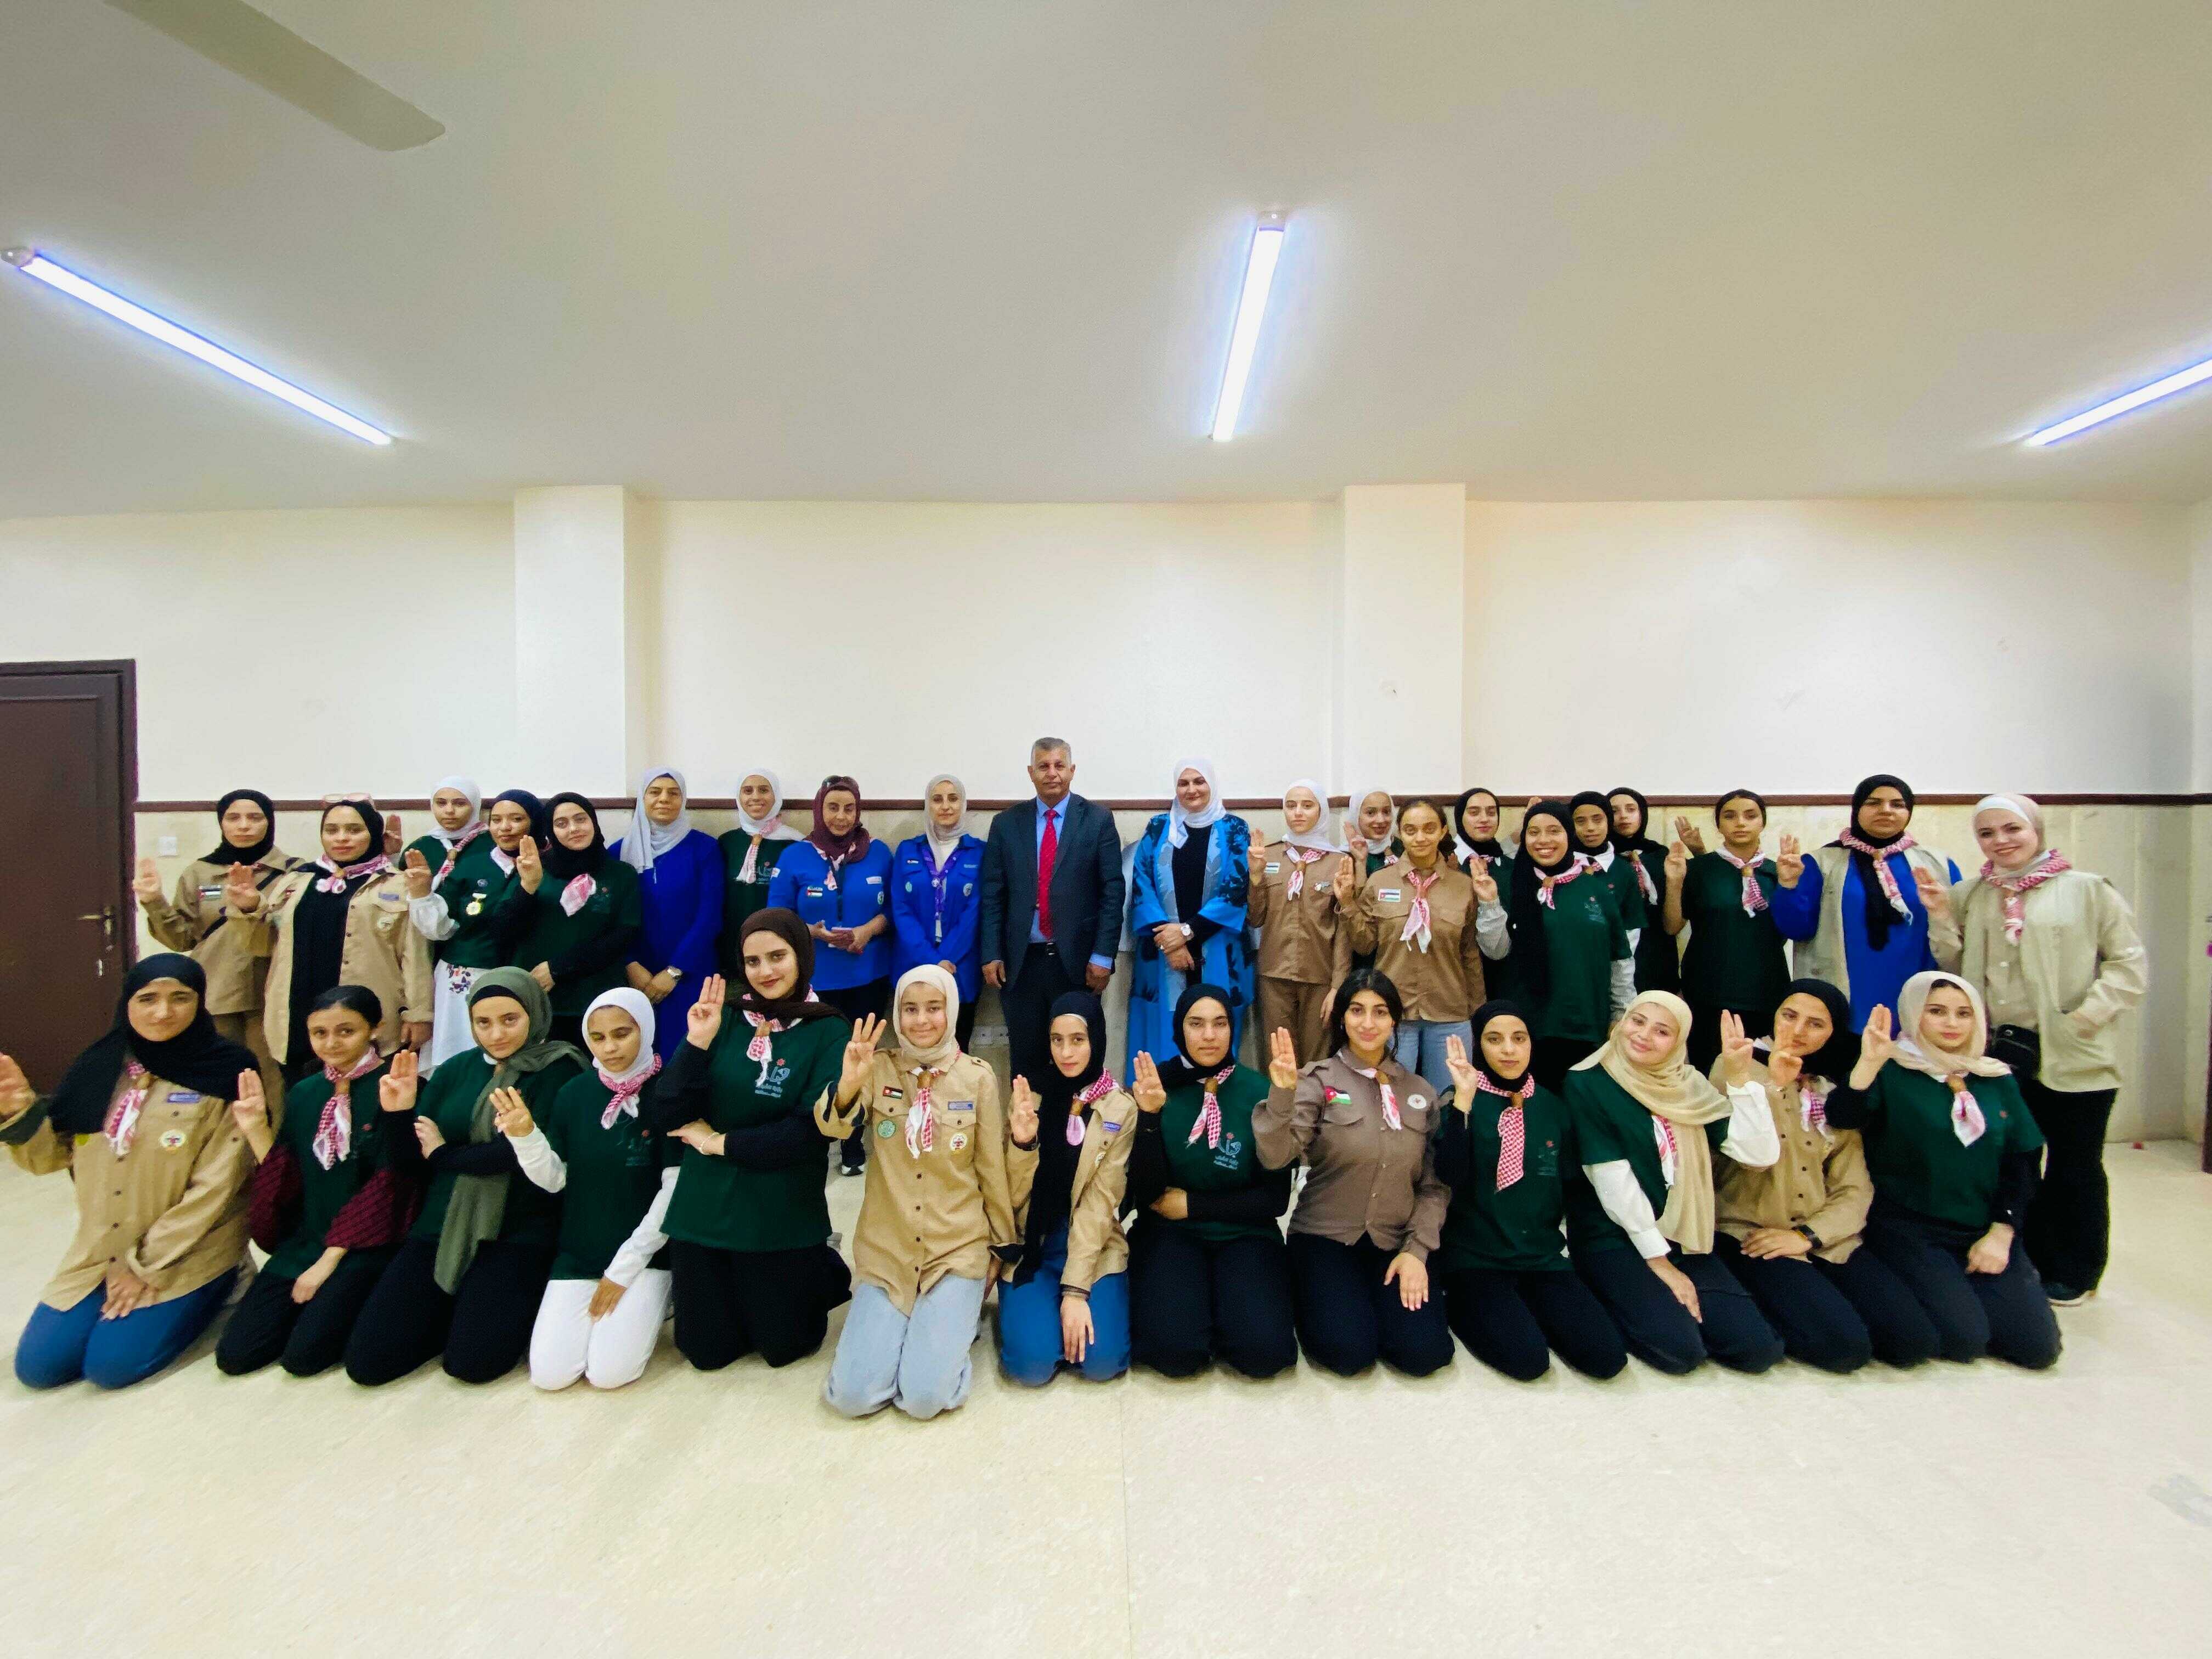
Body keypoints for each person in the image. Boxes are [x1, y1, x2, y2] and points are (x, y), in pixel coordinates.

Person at [1926, 794, 2147, 1305]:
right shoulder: (1972, 894)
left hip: (2075, 1054)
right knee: (2016, 1159)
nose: (2001, 841)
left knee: (2074, 1163)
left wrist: (2083, 1019)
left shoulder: (2087, 890)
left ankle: (2076, 1268)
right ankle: (2021, 1255)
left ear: (2036, 830)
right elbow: (1953, 965)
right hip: (2002, 1055)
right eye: (1987, 833)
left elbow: (2128, 965)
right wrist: (1939, 914)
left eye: (2012, 829)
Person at [2, 955, 256, 1389]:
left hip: (187, 1249)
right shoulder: (98, 1068)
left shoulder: (228, 1071)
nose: (163, 1012)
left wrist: (143, 1266)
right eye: (148, 999)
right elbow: (50, 1159)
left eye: (180, 998)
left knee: (112, 1367)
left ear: (200, 1003)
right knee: (40, 1368)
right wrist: (19, 1115)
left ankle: (226, 1280)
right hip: (101, 1248)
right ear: (127, 1004)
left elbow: (216, 1189)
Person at [341, 969, 588, 1385]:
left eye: (510, 1020)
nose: (497, 1034)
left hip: (516, 1230)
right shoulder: (456, 1069)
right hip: (440, 1225)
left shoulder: (560, 1069)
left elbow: (512, 1157)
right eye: (483, 1022)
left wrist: (444, 1154)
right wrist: (399, 1114)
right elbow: (411, 1164)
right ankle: (449, 1314)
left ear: (535, 1013)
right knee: (368, 1364)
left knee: (473, 1366)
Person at [818, 965, 1037, 1419]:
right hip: (888, 1251)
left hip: (955, 1250)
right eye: (910, 1009)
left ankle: (954, 1326)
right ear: (897, 1015)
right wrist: (849, 1083)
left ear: (951, 1010)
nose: (921, 1020)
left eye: (934, 1008)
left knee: (923, 1399)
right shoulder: (877, 1067)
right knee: (852, 1398)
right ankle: (923, 1329)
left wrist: (1001, 1248)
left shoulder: (977, 1077)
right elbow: (833, 1128)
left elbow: (991, 1170)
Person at [646, 912, 853, 1370]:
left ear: (802, 956)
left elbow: (806, 1136)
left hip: (779, 1208)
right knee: (706, 1354)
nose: (765, 971)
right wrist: (696, 1044)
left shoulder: (829, 1029)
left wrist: (716, 1142)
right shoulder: (724, 1017)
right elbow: (668, 1114)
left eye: (778, 957)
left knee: (785, 1348)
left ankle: (823, 1262)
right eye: (753, 961)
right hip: (706, 1207)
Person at [1827, 973, 2061, 1368]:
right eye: (1936, 1012)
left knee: (2037, 1348)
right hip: (1910, 1228)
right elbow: (1841, 1117)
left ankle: (1970, 1291)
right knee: (1964, 1339)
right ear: (1914, 1014)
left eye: (1964, 1014)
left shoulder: (1995, 1077)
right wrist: (1867, 1064)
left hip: (1982, 1226)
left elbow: (2022, 1161)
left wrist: (2001, 1233)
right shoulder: (1891, 1068)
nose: (1952, 1023)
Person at [1708, 980, 1940, 1372]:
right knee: (1843, 1348)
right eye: (1789, 1016)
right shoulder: (1737, 1066)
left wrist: (1810, 1236)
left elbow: (1854, 1186)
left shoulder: (1830, 1088)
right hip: (1753, 1233)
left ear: (1833, 1033)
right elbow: (1750, 1155)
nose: (1798, 1031)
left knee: (1911, 1342)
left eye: (1816, 1024)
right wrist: (1774, 1084)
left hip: (1823, 1237)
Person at [1564, 992, 1786, 1375]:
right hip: (1614, 1235)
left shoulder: (1688, 1084)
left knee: (1756, 1351)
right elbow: (1614, 1187)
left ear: (1679, 1040)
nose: (1644, 1035)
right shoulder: (1588, 1082)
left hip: (1684, 1234)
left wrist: (1739, 1080)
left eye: (1662, 1031)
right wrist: (1661, 1264)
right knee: (1681, 1353)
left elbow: (1758, 1154)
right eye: (1637, 1021)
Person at [1254, 970, 1454, 1378]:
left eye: (1380, 1012)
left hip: (1394, 1240)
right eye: (1357, 1011)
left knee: (1424, 1354)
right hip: (1326, 1236)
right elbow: (1276, 1157)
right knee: (1347, 1353)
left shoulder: (1420, 1092)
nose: (1368, 1023)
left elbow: (1433, 1187)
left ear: (1395, 1021)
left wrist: (1417, 1252)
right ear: (1342, 1018)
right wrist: (1282, 1093)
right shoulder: (1317, 1080)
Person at [217, 985, 416, 1377]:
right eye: (319, 1033)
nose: (332, 1043)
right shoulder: (305, 1092)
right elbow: (287, 1177)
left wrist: (327, 1263)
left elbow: (389, 1186)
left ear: (375, 1029)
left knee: (304, 1359)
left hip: (367, 1245)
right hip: (308, 1240)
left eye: (346, 1031)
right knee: (237, 1355)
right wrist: (256, 1129)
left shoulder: (397, 1086)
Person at [1432, 1002, 1627, 1381]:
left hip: (1541, 1257)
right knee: (1528, 1361)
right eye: (1494, 1040)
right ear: (1478, 1046)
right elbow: (1448, 1175)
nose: (1509, 1050)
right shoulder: (1459, 1100)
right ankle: (1465, 1304)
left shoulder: (1553, 1108)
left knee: (1606, 1359)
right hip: (1476, 1258)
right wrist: (1464, 1103)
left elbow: (1572, 1186)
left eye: (1519, 1039)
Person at [507, 989, 678, 1390]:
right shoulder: (574, 1093)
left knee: (609, 1374)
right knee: (550, 1376)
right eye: (598, 1038)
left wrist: (623, 1270)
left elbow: (676, 1192)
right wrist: (525, 1137)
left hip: (646, 1257)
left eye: (622, 1034)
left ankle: (664, 1299)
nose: (610, 1048)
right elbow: (556, 1179)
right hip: (580, 1253)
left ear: (646, 1029)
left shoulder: (670, 1092)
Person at [1124, 985, 1297, 1379]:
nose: (1209, 1036)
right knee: (1175, 1354)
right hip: (1170, 1232)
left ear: (1232, 1029)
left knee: (1264, 1354)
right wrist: (1149, 1117)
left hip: (1246, 1232)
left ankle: (1227, 1310)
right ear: (1179, 1030)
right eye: (1196, 1024)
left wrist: (1195, 1206)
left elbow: (1276, 1199)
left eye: (1220, 1024)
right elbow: (1146, 1194)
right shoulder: (1157, 1086)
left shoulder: (1261, 1092)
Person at [229, 798, 432, 1077]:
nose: (342, 838)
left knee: (367, 1092)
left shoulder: (398, 884)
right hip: (298, 1011)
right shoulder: (298, 881)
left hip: (368, 1013)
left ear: (374, 834)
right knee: (303, 1093)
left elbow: (415, 955)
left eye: (354, 830)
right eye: (332, 830)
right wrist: (250, 908)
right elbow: (263, 946)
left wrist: (419, 1014)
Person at [997, 990, 1136, 1387]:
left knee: (1102, 1364)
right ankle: (1036, 1313)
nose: (1066, 1053)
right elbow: (1010, 1195)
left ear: (1097, 1040)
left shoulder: (1119, 1107)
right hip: (1034, 1243)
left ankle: (1073, 1302)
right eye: (1057, 1040)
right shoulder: (1030, 1096)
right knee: (1031, 1368)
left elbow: (1100, 1202)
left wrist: (1076, 1291)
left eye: (1078, 1040)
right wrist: (1023, 1144)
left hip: (1092, 1243)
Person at [979, 737, 1126, 1093]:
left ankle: (1078, 1126)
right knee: (1026, 1062)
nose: (1052, 773)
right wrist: (991, 952)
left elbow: (1112, 893)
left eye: (1059, 766)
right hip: (1021, 964)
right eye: (1043, 766)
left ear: (1072, 771)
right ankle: (1028, 1127)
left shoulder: (1097, 820)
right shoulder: (1006, 824)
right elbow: (993, 895)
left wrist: (1103, 956)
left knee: (1078, 1059)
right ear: (1031, 773)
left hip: (1077, 962)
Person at [132, 786, 295, 1096]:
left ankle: (272, 1131)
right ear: (221, 823)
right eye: (233, 818)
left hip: (274, 994)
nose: (244, 826)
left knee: (272, 1082)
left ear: (270, 822)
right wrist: (154, 901)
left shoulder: (296, 873)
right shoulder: (199, 873)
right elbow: (181, 939)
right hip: (217, 993)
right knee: (218, 1077)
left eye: (254, 818)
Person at [1336, 797, 1503, 1094]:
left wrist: (1478, 1010)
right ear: (1399, 833)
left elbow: (1469, 954)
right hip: (1392, 1013)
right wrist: (1348, 903)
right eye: (1411, 830)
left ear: (1443, 831)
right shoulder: (1379, 882)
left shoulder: (1463, 886)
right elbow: (1364, 946)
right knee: (1391, 1097)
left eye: (1429, 829)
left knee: (1450, 1099)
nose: (1420, 837)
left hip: (1450, 1010)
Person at [769, 775, 893, 1173]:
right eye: (833, 807)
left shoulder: (879, 854)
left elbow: (893, 911)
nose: (841, 817)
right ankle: (814, 1143)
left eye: (849, 808)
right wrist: (812, 932)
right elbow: (776, 918)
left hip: (867, 977)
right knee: (816, 1061)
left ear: (859, 812)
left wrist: (866, 931)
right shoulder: (794, 856)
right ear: (819, 810)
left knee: (860, 1060)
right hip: (814, 981)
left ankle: (853, 1143)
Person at [1769, 774, 1959, 1029]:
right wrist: (1789, 885)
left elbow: (1958, 936)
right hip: (1845, 997)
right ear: (1857, 809)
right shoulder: (1822, 862)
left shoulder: (1938, 864)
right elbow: (1796, 930)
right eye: (1874, 803)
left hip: (1918, 995)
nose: (1886, 810)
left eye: (1897, 804)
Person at [1127, 758, 1253, 1076]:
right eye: (1183, 783)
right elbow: (1142, 884)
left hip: (1219, 947)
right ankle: (1165, 1099)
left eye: (1199, 782)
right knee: (1164, 1035)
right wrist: (1170, 942)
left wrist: (1186, 933)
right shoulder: (1159, 828)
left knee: (1214, 1029)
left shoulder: (1235, 829)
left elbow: (1236, 887)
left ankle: (1215, 1097)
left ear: (1212, 784)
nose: (1192, 790)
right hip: (1162, 952)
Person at [494, 791, 643, 1048]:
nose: (573, 829)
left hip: (596, 999)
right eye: (561, 824)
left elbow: (624, 934)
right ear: (550, 831)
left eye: (580, 819)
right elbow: (502, 931)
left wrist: (559, 968)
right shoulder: (533, 868)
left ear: (593, 822)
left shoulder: (620, 874)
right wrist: (528, 887)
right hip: (539, 999)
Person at [405, 788, 541, 1069]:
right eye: (497, 820)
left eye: (516, 819)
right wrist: (421, 894)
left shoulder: (553, 866)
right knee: (459, 1061)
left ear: (535, 821)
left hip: (525, 978)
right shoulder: (473, 865)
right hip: (463, 980)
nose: (505, 828)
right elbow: (441, 930)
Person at [1505, 800, 1634, 1091]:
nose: (1544, 840)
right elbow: (1496, 950)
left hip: (1587, 1023)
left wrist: (1621, 1013)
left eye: (1554, 831)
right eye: (1534, 832)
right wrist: (1490, 903)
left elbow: (1620, 958)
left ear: (1569, 835)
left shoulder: (1595, 889)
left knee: (1583, 1105)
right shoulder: (1513, 885)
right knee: (1537, 1109)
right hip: (1527, 1028)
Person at [1662, 788, 1793, 1075]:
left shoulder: (1779, 872)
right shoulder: (1698, 869)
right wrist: (1674, 883)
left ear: (1763, 822)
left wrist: (1791, 885)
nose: (1741, 823)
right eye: (1730, 816)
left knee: (1761, 1078)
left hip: (1766, 989)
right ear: (1719, 825)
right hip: (1709, 991)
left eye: (1750, 816)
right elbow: (1673, 926)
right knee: (1710, 1075)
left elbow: (1792, 929)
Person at [614, 767, 725, 1061]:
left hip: (692, 971)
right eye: (655, 792)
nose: (664, 799)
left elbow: (710, 916)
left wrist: (675, 971)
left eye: (673, 793)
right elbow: (611, 920)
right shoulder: (619, 852)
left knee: (686, 1055)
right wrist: (630, 965)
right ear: (642, 798)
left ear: (683, 799)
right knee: (638, 1055)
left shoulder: (704, 849)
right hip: (636, 974)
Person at [1244, 778, 1352, 1063]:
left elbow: (1344, 931)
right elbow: (1255, 918)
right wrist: (1255, 878)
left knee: (1317, 1059)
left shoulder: (1339, 862)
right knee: (1278, 1057)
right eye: (1291, 806)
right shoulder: (1268, 855)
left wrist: (1338, 986)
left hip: (1320, 975)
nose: (1298, 813)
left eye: (1307, 806)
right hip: (1274, 973)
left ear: (1322, 811)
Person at [890, 773, 986, 1048]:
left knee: (958, 1048)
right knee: (915, 1048)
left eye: (953, 799)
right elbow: (901, 909)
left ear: (963, 805)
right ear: (928, 805)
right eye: (937, 799)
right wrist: (931, 961)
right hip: (913, 964)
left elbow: (975, 912)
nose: (945, 806)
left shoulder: (980, 852)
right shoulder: (908, 850)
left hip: (959, 968)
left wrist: (946, 959)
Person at [717, 768, 803, 978]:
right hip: (731, 953)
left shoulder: (796, 844)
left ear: (776, 796)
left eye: (764, 790)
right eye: (748, 791)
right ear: (739, 798)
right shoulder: (727, 842)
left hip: (779, 954)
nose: (756, 797)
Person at [1606, 787, 1679, 995]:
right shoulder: (1599, 860)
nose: (1623, 816)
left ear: (1642, 814)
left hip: (1657, 952)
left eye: (1631, 809)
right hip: (1615, 952)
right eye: (1614, 811)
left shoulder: (1660, 855)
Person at [1570, 790, 1649, 961]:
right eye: (1580, 821)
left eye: (1598, 819)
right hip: (1567, 964)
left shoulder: (1624, 870)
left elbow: (1631, 930)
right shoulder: (1561, 867)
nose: (1590, 828)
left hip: (1611, 965)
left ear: (1609, 822)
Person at [401, 777, 486, 884]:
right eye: (441, 803)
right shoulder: (419, 848)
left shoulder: (491, 844)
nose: (449, 811)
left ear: (475, 806)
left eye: (460, 804)